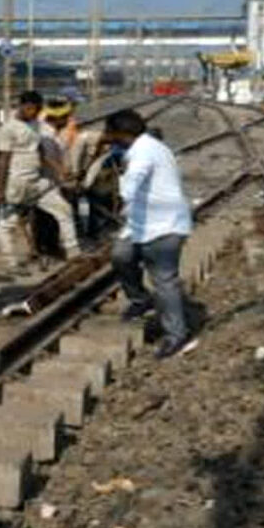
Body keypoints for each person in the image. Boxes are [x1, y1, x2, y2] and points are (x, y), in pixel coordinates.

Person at [105, 110, 194, 359]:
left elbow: (133, 180)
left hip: (164, 226)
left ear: (121, 134)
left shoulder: (144, 152)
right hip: (141, 223)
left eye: (111, 133)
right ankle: (140, 299)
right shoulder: (148, 146)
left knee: (164, 281)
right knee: (121, 255)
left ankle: (176, 335)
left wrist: (122, 192)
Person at [0, 91, 81, 277]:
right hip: (16, 181)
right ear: (22, 106)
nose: (34, 113)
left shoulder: (36, 125)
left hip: (37, 181)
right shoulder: (8, 129)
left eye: (37, 109)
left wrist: (58, 169)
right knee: (7, 222)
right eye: (31, 109)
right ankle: (11, 263)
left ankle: (74, 252)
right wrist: (1, 190)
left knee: (63, 209)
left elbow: (40, 151)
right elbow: (2, 160)